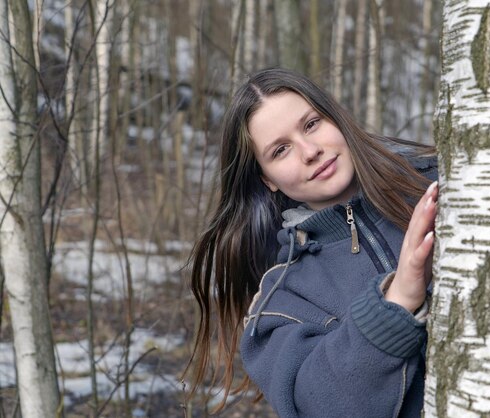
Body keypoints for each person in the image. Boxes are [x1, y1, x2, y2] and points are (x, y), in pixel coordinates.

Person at [186, 68, 438, 417]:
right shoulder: (281, 303)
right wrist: (396, 304)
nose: (310, 151)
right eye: (280, 150)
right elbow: (322, 407)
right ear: (267, 180)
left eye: (311, 124)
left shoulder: (438, 185)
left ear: (336, 118)